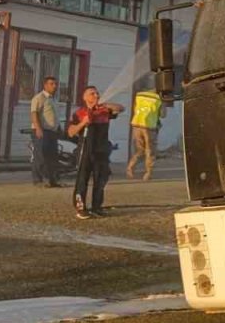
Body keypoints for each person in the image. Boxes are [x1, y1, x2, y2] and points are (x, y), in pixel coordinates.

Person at [67, 86, 124, 220]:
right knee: (82, 179)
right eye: (92, 94)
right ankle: (81, 208)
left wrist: (104, 104)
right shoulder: (79, 113)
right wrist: (83, 123)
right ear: (85, 97)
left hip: (101, 150)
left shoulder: (104, 111)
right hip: (86, 149)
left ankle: (97, 207)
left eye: (97, 93)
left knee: (100, 179)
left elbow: (121, 108)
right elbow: (71, 132)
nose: (96, 96)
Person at [29, 76, 62, 188]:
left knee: (52, 156)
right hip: (42, 130)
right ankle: (39, 180)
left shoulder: (53, 100)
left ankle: (53, 180)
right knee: (40, 156)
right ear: (45, 85)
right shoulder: (39, 98)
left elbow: (54, 116)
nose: (54, 86)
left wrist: (59, 128)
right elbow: (34, 114)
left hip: (52, 131)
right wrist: (38, 128)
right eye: (51, 84)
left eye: (55, 84)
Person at [126, 89, 164, 180]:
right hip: (149, 127)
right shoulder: (159, 99)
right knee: (150, 150)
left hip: (137, 125)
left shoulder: (139, 96)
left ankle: (130, 168)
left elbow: (135, 109)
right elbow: (163, 114)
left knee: (140, 150)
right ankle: (148, 173)